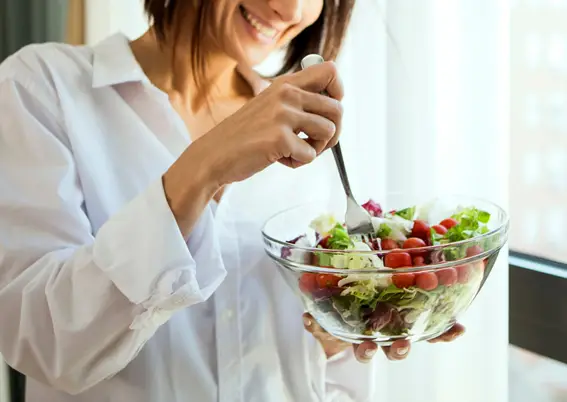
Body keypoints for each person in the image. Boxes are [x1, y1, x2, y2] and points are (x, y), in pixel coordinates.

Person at [0, 1, 464, 401]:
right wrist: (204, 167)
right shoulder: (41, 87)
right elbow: (43, 342)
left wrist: (340, 332)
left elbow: (332, 379)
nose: (292, 10)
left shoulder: (307, 127)